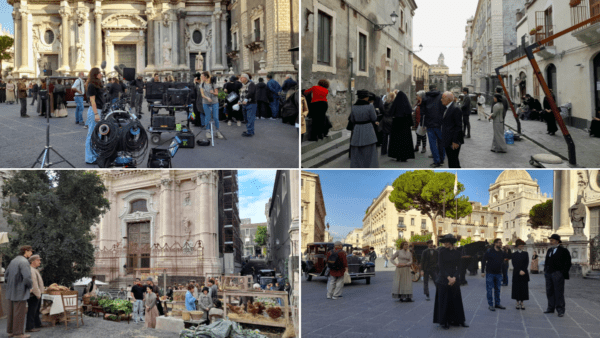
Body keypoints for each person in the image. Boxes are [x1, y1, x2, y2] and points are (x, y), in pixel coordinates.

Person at [433, 234, 468, 330]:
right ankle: (444, 321)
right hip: (443, 278)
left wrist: (455, 277)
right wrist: (449, 277)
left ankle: (459, 320)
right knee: (444, 301)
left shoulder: (458, 253)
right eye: (444, 242)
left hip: (454, 278)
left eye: (447, 242)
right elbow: (440, 266)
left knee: (456, 300)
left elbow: (460, 267)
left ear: (451, 243)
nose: (445, 244)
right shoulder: (441, 252)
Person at [5, 245, 34, 338]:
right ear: (25, 251)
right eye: (30, 251)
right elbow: (27, 277)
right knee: (19, 312)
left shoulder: (13, 261)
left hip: (10, 291)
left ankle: (11, 332)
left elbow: (6, 275)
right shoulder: (24, 262)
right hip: (20, 291)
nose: (31, 253)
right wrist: (30, 286)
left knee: (11, 312)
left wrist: (10, 285)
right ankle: (18, 334)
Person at [348, 90, 379, 168]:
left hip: (357, 129)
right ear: (366, 97)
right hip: (368, 129)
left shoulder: (354, 107)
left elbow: (352, 119)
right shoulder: (370, 106)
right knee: (370, 152)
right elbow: (374, 118)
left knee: (357, 152)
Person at [544, 234, 572, 317]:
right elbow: (546, 261)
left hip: (558, 273)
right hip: (549, 273)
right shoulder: (549, 250)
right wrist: (546, 271)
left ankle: (560, 310)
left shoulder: (564, 251)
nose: (550, 242)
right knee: (549, 291)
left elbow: (568, 263)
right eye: (550, 240)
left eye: (552, 240)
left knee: (558, 292)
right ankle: (550, 307)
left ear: (557, 241)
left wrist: (562, 273)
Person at [387, 91, 415, 162]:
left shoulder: (395, 103)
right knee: (405, 141)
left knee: (396, 141)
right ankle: (404, 156)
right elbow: (409, 113)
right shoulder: (406, 104)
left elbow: (390, 112)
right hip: (405, 125)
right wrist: (411, 124)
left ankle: (397, 156)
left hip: (396, 124)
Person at [421, 85, 445, 167]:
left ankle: (436, 161)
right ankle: (442, 159)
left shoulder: (426, 97)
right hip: (440, 123)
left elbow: (423, 112)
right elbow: (443, 109)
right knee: (441, 142)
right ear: (436, 88)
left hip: (429, 123)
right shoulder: (441, 96)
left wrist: (423, 124)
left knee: (432, 144)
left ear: (429, 89)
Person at [85, 68, 104, 165]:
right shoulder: (91, 85)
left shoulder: (97, 84)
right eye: (99, 73)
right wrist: (96, 113)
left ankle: (95, 155)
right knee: (91, 134)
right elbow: (92, 100)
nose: (101, 74)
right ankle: (89, 158)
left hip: (99, 110)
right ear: (95, 74)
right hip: (94, 111)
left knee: (98, 135)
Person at [440, 91, 464, 168]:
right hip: (448, 139)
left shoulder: (455, 108)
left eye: (443, 98)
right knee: (453, 160)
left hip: (453, 141)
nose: (441, 100)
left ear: (449, 100)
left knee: (453, 161)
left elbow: (459, 126)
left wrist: (455, 141)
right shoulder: (447, 107)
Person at [482, 239, 506, 311]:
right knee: (489, 289)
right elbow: (483, 261)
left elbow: (508, 258)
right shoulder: (489, 251)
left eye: (501, 243)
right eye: (499, 243)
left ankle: (497, 303)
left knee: (498, 289)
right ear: (495, 244)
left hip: (498, 273)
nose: (500, 244)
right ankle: (490, 305)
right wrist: (482, 271)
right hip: (490, 273)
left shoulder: (502, 252)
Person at [200, 71, 224, 139]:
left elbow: (217, 93)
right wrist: (207, 97)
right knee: (207, 117)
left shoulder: (214, 84)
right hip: (205, 102)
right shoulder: (202, 85)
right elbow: (202, 94)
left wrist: (213, 93)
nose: (201, 77)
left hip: (214, 102)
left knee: (216, 117)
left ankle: (217, 131)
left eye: (202, 76)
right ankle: (208, 132)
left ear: (206, 76)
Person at [26, 254, 43, 333]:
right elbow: (34, 284)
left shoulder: (34, 269)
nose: (40, 261)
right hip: (34, 294)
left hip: (35, 293)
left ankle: (37, 324)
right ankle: (30, 327)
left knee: (35, 310)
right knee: (32, 310)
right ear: (33, 261)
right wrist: (38, 294)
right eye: (38, 260)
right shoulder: (31, 270)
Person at [511, 239, 529, 310]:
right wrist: (519, 271)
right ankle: (517, 302)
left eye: (522, 246)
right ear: (517, 246)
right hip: (516, 273)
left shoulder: (526, 253)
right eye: (521, 246)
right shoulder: (514, 254)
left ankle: (522, 302)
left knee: (523, 288)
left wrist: (523, 270)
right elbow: (514, 264)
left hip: (524, 273)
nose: (522, 247)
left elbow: (526, 263)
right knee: (516, 288)